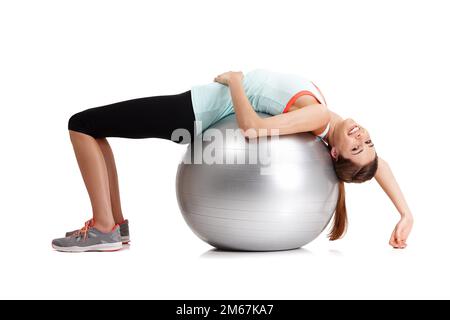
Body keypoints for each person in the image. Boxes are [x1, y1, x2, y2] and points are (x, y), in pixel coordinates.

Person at [52, 69, 413, 252]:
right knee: (94, 128)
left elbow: (253, 129)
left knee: (82, 125)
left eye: (356, 146)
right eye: (367, 140)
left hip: (193, 113)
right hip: (197, 111)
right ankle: (114, 225)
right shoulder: (327, 120)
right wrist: (405, 213)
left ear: (334, 154)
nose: (361, 136)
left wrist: (236, 81)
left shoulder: (318, 118)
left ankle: (103, 228)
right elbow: (377, 165)